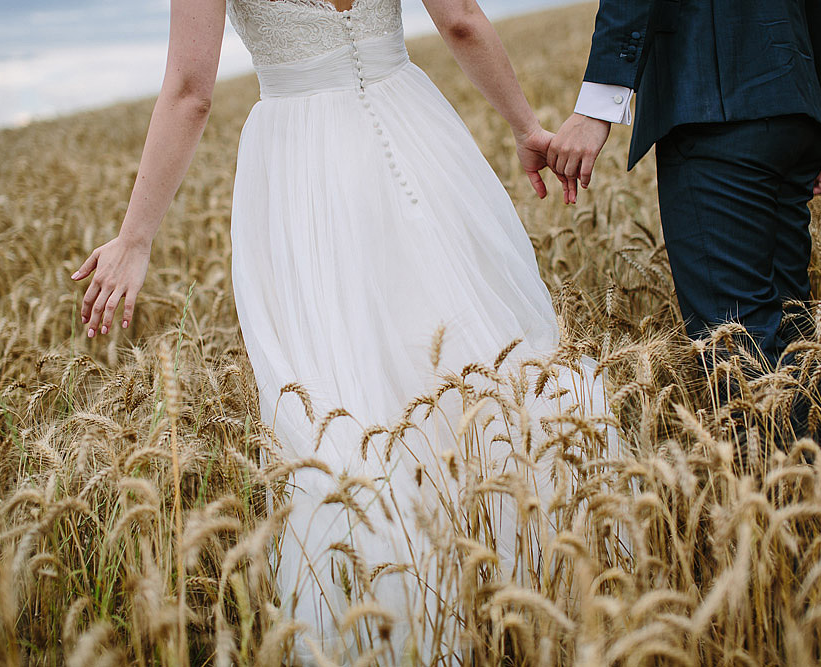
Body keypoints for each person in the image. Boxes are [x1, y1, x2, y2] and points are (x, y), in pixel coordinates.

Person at [71, 0, 618, 662]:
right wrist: (526, 123)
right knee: (472, 346)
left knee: (341, 396)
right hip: (417, 131)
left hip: (301, 162)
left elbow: (191, 94)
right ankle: (553, 578)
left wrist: (135, 237)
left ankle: (395, 617)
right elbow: (463, 20)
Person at [548, 0, 821, 371]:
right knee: (794, 329)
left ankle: (767, 431)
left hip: (713, 109)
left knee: (737, 347)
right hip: (796, 105)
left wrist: (598, 105)